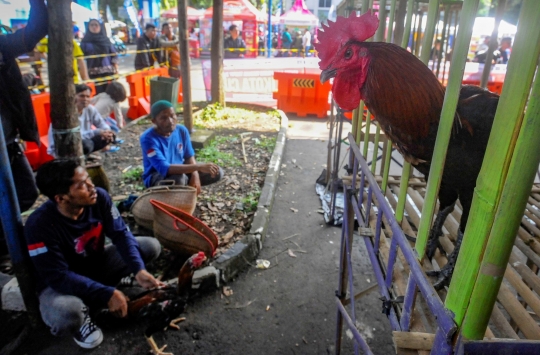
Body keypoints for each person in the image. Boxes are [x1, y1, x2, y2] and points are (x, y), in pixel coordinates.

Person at [24, 159, 164, 349]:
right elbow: (57, 276)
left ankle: (103, 293)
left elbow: (121, 234)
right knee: (67, 314)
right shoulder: (38, 226)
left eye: (89, 180)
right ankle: (84, 318)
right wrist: (107, 293)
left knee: (149, 246)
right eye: (82, 185)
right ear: (61, 198)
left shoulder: (99, 198)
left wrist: (137, 268)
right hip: (59, 285)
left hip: (95, 264)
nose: (92, 187)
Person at [0, 0, 47, 257]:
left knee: (26, 192)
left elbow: (36, 30)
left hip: (7, 141)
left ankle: (6, 245)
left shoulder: (2, 44)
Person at [140, 100, 223, 194]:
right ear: (154, 121)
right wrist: (198, 167)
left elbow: (188, 156)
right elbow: (165, 168)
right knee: (179, 179)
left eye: (172, 115)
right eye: (163, 118)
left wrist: (195, 176)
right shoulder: (147, 138)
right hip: (157, 176)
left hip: (180, 171)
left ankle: (183, 189)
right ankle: (174, 195)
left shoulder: (181, 130)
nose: (170, 121)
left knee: (216, 171)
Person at [48, 84, 117, 157]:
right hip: (64, 147)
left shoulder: (90, 109)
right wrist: (98, 132)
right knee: (87, 144)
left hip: (83, 139)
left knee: (111, 135)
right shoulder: (66, 114)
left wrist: (107, 131)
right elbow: (74, 137)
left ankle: (87, 154)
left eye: (88, 97)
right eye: (82, 96)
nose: (85, 99)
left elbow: (101, 123)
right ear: (73, 96)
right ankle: (81, 157)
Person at [80, 19, 118, 94]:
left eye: (96, 25)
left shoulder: (106, 40)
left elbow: (114, 54)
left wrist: (116, 69)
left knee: (109, 95)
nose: (94, 27)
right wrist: (84, 76)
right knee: (96, 95)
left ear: (100, 27)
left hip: (108, 73)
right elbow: (81, 59)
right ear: (88, 27)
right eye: (92, 25)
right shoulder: (85, 42)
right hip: (93, 75)